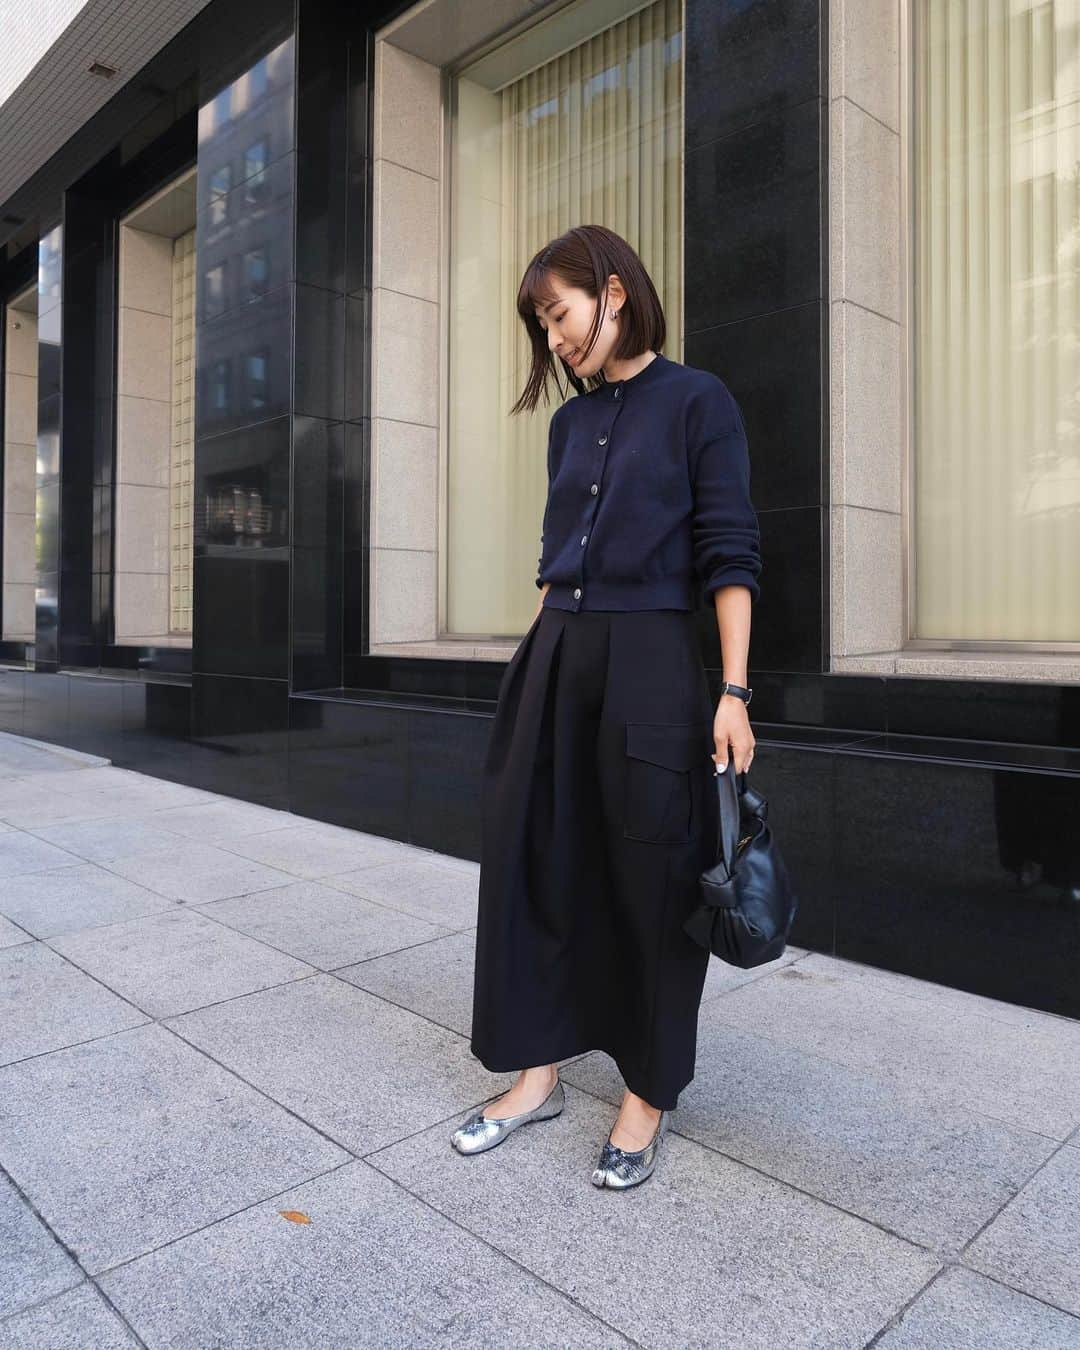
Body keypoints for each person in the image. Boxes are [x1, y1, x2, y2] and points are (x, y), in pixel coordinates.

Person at [451, 224, 762, 1188]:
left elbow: (731, 557)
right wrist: (530, 668)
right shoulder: (567, 425)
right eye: (541, 325)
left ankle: (646, 1095)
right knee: (537, 859)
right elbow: (556, 561)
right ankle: (537, 1070)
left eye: (560, 314)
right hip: (558, 654)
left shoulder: (697, 402)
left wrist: (736, 691)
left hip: (654, 662)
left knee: (652, 882)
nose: (553, 340)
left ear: (614, 292)